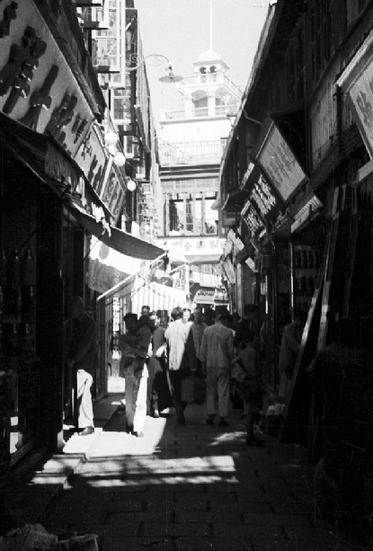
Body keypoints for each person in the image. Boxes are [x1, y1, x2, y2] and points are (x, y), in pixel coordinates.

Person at [68, 296, 98, 436]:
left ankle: (88, 424)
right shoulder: (76, 322)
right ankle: (80, 423)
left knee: (84, 393)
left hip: (86, 363)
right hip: (80, 362)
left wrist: (75, 358)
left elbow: (85, 344)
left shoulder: (88, 322)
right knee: (78, 393)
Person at [119, 313, 152, 437]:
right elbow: (127, 351)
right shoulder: (123, 337)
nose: (129, 325)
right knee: (129, 399)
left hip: (141, 370)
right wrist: (137, 350)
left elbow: (145, 353)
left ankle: (138, 427)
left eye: (132, 322)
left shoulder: (144, 334)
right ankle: (130, 422)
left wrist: (136, 350)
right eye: (127, 323)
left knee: (141, 399)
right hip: (129, 370)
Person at [200, 309, 234, 427]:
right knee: (223, 390)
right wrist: (230, 362)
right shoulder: (228, 332)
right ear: (224, 320)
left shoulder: (207, 330)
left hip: (210, 364)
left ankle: (210, 415)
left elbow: (203, 349)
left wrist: (203, 363)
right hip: (223, 364)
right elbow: (230, 351)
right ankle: (222, 417)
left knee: (210, 390)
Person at [231, 331, 265, 445]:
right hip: (251, 382)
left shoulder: (243, 352)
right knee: (251, 410)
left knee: (249, 409)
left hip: (245, 383)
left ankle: (251, 435)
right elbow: (253, 370)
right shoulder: (251, 352)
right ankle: (250, 436)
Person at [164, 306, 189, 424]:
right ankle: (181, 409)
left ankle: (179, 410)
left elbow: (167, 344)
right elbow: (191, 348)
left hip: (172, 364)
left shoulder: (168, 330)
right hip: (184, 363)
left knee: (176, 389)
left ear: (172, 317)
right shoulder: (186, 328)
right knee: (186, 390)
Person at [277, 309, 306, 402]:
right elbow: (295, 346)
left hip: (289, 363)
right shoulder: (289, 329)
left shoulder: (295, 329)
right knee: (285, 389)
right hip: (287, 363)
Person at [147, 311, 172, 417]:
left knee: (159, 384)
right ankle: (152, 407)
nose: (153, 322)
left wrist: (163, 347)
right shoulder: (147, 331)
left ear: (158, 319)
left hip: (158, 361)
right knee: (150, 384)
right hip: (149, 361)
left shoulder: (162, 331)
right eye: (151, 320)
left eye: (155, 320)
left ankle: (157, 407)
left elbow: (169, 342)